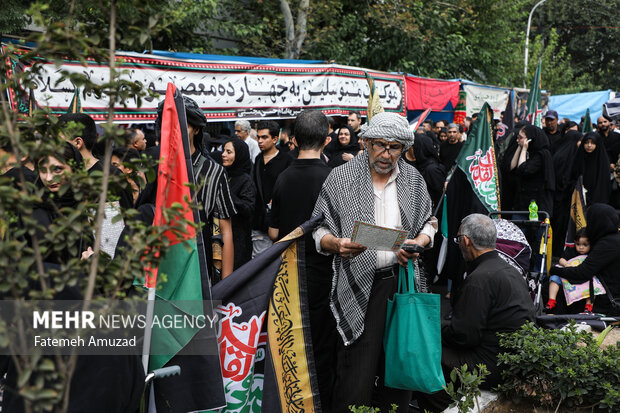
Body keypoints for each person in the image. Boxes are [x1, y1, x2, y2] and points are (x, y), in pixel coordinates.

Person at [313, 111, 436, 412]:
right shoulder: (340, 178)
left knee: (400, 364)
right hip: (357, 283)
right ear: (365, 143)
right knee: (356, 374)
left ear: (404, 148)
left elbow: (430, 222)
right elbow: (318, 229)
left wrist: (419, 242)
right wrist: (336, 244)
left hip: (401, 282)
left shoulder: (414, 180)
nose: (386, 153)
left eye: (394, 147)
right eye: (379, 145)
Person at [414, 214, 534, 413]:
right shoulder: (510, 270)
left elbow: (464, 336)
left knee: (420, 354)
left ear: (465, 241)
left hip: (491, 366)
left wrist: (433, 331)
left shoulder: (479, 279)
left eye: (458, 239)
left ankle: (443, 407)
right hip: (512, 360)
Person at [267, 110, 335, 407]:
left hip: (290, 275)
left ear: (292, 141)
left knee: (294, 344)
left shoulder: (283, 177)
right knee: (323, 346)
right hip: (327, 273)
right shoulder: (333, 178)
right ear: (327, 140)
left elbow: (273, 232)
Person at [549, 204, 620, 315]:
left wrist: (554, 270)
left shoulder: (607, 243)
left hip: (608, 302)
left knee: (554, 284)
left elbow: (582, 273)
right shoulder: (612, 239)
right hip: (610, 295)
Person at [251, 120, 292, 257]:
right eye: (258, 137)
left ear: (275, 139)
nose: (260, 141)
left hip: (280, 222)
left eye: (264, 137)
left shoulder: (287, 160)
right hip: (259, 222)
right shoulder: (257, 159)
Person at [221, 138, 256, 270]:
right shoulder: (222, 175)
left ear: (239, 155)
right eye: (224, 151)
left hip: (239, 240)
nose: (223, 154)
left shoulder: (245, 180)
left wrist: (227, 194)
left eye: (228, 152)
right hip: (221, 237)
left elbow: (248, 208)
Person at [509, 124, 555, 216]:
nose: (517, 140)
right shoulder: (528, 151)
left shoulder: (541, 154)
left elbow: (524, 169)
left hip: (535, 204)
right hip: (522, 202)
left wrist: (524, 150)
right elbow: (512, 167)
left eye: (520, 138)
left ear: (530, 139)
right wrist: (520, 147)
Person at [545, 228, 592, 313]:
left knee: (594, 284)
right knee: (554, 278)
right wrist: (566, 264)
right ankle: (552, 300)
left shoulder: (592, 254)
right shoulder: (571, 251)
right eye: (578, 244)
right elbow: (561, 259)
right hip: (567, 273)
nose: (581, 247)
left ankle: (589, 304)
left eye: (585, 245)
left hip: (583, 276)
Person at [570, 131, 611, 206]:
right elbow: (573, 176)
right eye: (586, 142)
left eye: (592, 143)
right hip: (580, 199)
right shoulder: (579, 159)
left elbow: (604, 184)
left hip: (597, 200)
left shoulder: (602, 161)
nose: (589, 145)